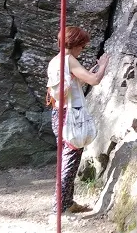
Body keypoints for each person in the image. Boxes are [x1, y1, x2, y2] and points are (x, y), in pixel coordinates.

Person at [46, 26, 108, 215]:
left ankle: (67, 202)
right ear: (75, 44)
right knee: (70, 162)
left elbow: (74, 83)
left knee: (67, 158)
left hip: (59, 114)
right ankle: (60, 206)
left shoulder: (55, 61)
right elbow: (94, 80)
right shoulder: (69, 60)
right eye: (82, 45)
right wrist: (104, 64)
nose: (83, 49)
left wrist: (87, 72)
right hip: (71, 117)